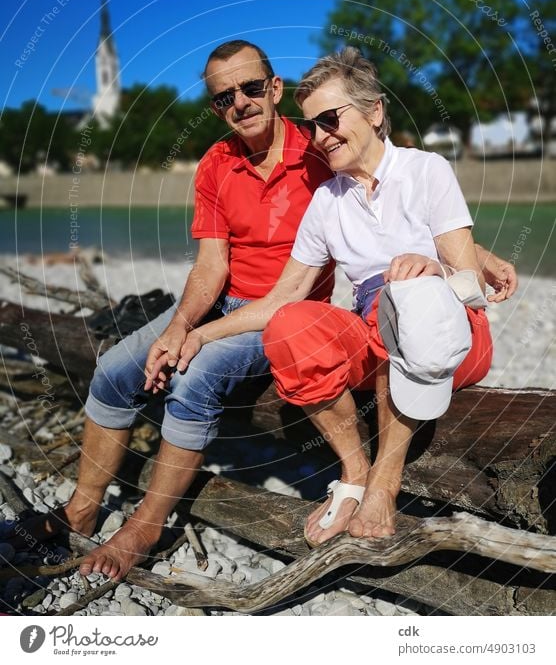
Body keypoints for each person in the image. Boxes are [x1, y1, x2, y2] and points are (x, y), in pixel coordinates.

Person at [14, 41, 515, 579]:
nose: (241, 102)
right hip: (251, 306)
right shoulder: (237, 167)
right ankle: (81, 510)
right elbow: (221, 271)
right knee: (116, 369)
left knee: (199, 376)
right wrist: (184, 327)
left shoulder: (323, 152)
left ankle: (147, 525)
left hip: (372, 309)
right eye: (224, 96)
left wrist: (467, 258)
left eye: (252, 87)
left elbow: (415, 210)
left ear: (275, 89)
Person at [165, 46, 507, 549]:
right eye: (313, 125)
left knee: (404, 302)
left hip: (450, 330)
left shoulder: (426, 170)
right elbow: (283, 297)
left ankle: (384, 486)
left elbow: (470, 284)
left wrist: (432, 267)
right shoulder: (328, 201)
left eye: (331, 119)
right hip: (375, 330)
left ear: (374, 112)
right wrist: (197, 333)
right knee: (291, 326)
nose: (321, 137)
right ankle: (354, 470)